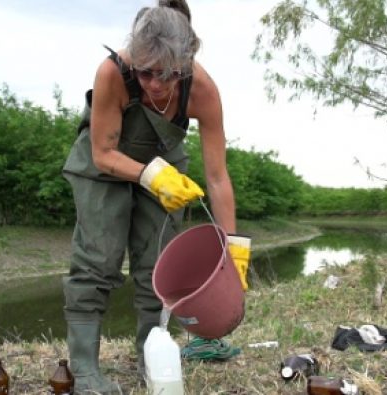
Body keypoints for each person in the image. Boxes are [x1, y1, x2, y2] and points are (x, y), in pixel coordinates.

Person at [60, 0, 251, 392]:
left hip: (165, 163)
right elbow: (102, 153)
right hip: (104, 167)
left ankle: (151, 358)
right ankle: (83, 370)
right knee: (97, 261)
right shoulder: (113, 72)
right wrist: (149, 175)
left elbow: (216, 177)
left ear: (186, 62)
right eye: (145, 73)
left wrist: (233, 247)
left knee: (157, 268)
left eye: (167, 74)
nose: (155, 84)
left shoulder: (203, 91)